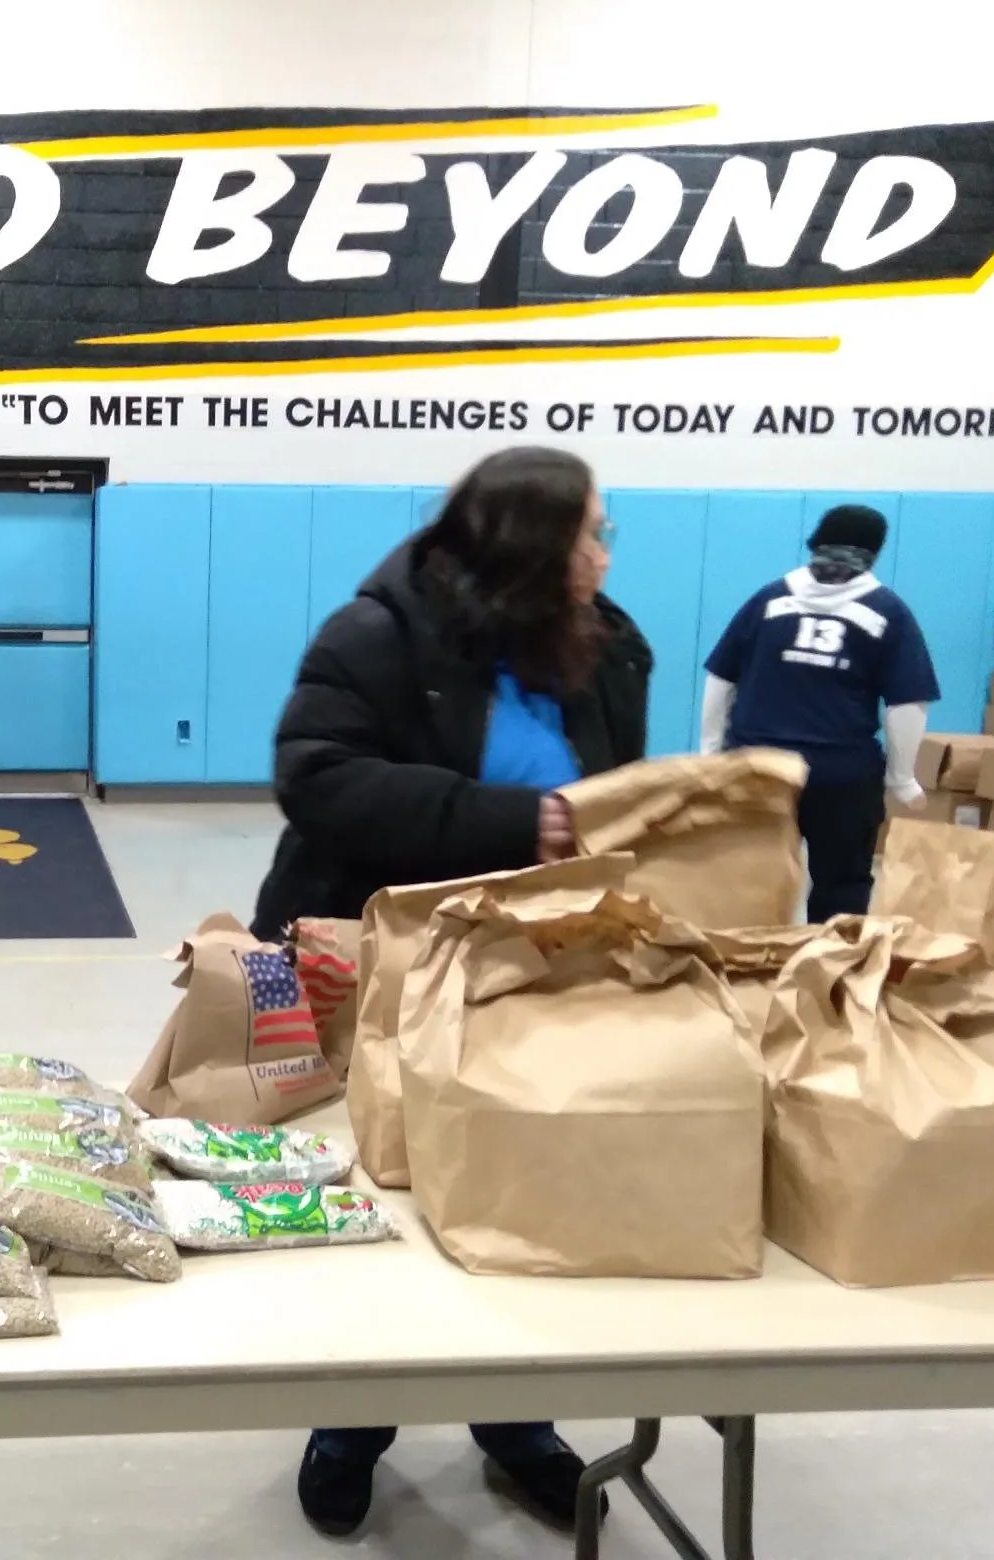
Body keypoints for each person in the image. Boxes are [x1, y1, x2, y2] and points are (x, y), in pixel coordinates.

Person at [253, 446, 651, 1539]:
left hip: (535, 973)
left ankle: (512, 1419)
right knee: (379, 1202)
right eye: (589, 534)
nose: (603, 554)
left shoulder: (609, 648)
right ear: (528, 545)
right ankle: (351, 1423)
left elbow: (617, 793)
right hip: (380, 969)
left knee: (520, 1191)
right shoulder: (376, 635)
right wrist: (518, 824)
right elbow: (318, 778)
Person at [700, 504, 937, 920]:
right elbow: (906, 705)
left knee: (748, 883)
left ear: (815, 543)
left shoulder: (768, 599)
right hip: (840, 774)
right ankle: (830, 976)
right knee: (841, 888)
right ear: (874, 553)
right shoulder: (888, 613)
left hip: (759, 766)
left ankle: (744, 972)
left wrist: (711, 752)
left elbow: (720, 679)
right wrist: (901, 778)